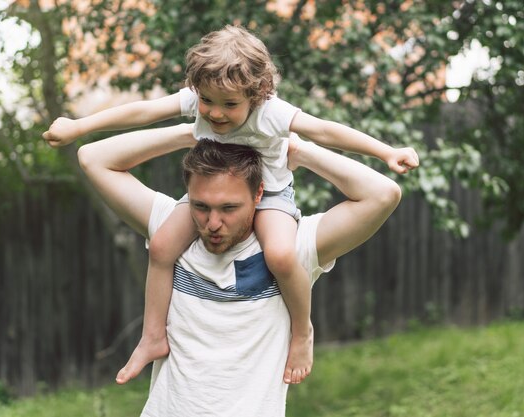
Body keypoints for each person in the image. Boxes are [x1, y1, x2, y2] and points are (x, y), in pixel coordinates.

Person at [43, 25, 418, 384]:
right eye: (207, 101)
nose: (216, 113)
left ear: (257, 94)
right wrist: (79, 127)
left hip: (269, 195)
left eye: (229, 104)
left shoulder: (271, 112)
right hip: (215, 190)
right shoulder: (198, 100)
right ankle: (152, 335)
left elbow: (324, 129)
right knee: (160, 246)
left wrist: (386, 152)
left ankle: (303, 332)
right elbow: (142, 111)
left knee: (283, 256)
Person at [69, 123, 410, 416]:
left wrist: (299, 150)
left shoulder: (294, 245)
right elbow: (93, 158)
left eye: (229, 208)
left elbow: (383, 194)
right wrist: (194, 132)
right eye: (201, 206)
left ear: (259, 194)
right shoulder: (169, 226)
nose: (212, 223)